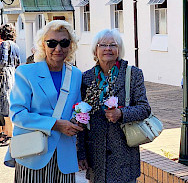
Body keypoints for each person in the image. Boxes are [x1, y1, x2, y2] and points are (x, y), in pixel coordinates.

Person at [4, 20, 83, 182]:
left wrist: (78, 121)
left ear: (71, 45)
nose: (58, 48)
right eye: (52, 43)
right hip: (32, 154)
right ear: (43, 45)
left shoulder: (76, 74)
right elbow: (18, 114)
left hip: (64, 155)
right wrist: (56, 124)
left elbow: (78, 108)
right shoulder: (26, 72)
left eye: (64, 42)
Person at [77, 29, 151, 183]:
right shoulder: (86, 78)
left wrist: (122, 114)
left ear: (119, 49)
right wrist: (81, 153)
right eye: (103, 45)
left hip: (124, 155)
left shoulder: (132, 74)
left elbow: (144, 108)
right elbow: (81, 119)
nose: (108, 49)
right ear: (95, 50)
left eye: (113, 45)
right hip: (96, 157)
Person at [0, 23, 21, 146]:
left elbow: (2, 61)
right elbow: (18, 63)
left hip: (4, 76)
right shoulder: (16, 46)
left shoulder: (4, 44)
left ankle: (8, 134)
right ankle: (10, 133)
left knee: (4, 104)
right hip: (12, 75)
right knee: (9, 103)